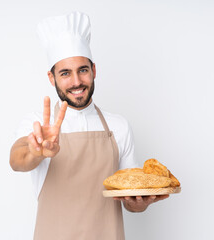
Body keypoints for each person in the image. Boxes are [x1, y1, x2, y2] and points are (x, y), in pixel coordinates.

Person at [10, 11, 169, 240]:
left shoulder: (119, 126)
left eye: (82, 70)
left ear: (93, 70)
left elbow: (131, 203)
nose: (76, 82)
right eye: (65, 73)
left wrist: (139, 203)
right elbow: (17, 159)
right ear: (51, 78)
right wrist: (36, 151)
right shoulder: (39, 125)